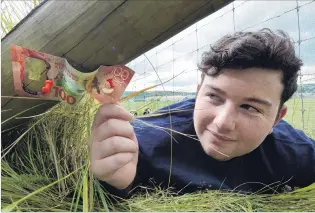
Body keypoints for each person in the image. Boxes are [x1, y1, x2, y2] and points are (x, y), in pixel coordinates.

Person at [89, 29, 315, 198]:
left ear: (277, 118)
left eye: (250, 107)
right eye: (214, 97)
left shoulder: (296, 152)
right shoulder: (142, 142)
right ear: (198, 93)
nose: (222, 122)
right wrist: (114, 186)